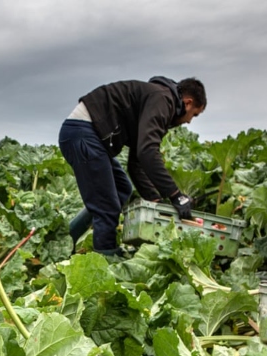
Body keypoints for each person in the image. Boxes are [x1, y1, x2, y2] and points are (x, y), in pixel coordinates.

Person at [59, 76, 206, 256]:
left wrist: (155, 200)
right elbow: (147, 152)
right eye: (195, 114)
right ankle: (106, 257)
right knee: (107, 205)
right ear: (188, 102)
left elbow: (137, 161)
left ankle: (65, 241)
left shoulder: (157, 100)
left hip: (87, 134)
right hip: (82, 133)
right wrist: (176, 196)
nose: (190, 121)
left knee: (122, 187)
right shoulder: (162, 99)